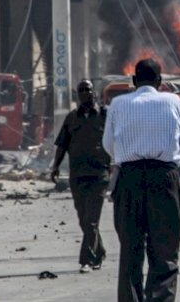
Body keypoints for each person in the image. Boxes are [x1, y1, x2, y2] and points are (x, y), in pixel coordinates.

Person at [102, 59, 180, 302]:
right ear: (160, 82)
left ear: (133, 81)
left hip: (128, 179)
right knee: (165, 250)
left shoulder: (118, 104)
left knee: (130, 251)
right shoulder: (173, 101)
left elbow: (108, 146)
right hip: (163, 179)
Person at [51, 80, 110, 273]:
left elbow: (117, 140)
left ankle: (87, 259)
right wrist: (55, 166)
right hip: (77, 176)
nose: (85, 93)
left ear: (95, 93)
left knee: (92, 220)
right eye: (81, 90)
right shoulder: (71, 118)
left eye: (88, 90)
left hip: (99, 175)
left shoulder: (105, 115)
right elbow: (62, 145)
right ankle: (99, 251)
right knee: (84, 220)